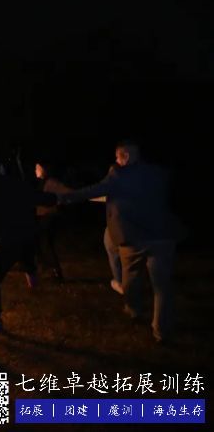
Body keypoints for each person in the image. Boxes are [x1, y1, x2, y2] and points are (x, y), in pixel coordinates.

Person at [59, 140, 181, 343]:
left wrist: (64, 197)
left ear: (125, 157)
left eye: (117, 157)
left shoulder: (117, 174)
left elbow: (93, 190)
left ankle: (134, 311)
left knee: (131, 277)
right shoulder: (159, 173)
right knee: (162, 286)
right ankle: (161, 331)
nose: (115, 160)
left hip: (134, 238)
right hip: (163, 237)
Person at [0, 158, 57, 335]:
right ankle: (33, 281)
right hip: (26, 235)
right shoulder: (19, 184)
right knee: (26, 257)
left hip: (5, 238)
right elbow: (43, 198)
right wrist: (54, 198)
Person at [34, 161, 71, 281]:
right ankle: (48, 268)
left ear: (43, 169)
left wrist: (58, 201)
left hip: (49, 217)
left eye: (37, 168)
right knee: (41, 243)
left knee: (47, 245)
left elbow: (68, 192)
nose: (35, 170)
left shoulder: (51, 182)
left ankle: (56, 271)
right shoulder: (41, 183)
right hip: (42, 217)